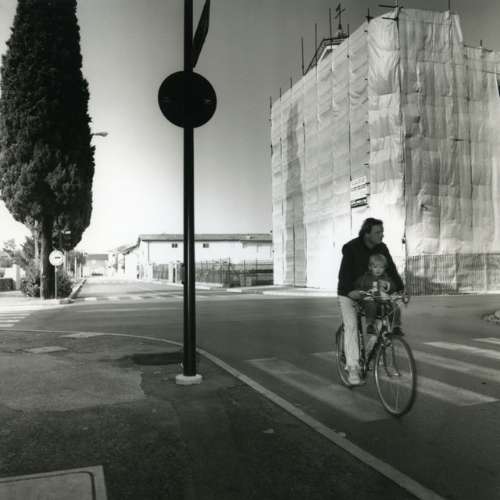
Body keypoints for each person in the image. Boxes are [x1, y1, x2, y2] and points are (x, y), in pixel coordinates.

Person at [337, 218, 404, 385]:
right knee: (352, 326)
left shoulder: (382, 248)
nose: (382, 235)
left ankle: (371, 353)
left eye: (382, 231)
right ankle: (353, 369)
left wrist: (400, 288)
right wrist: (350, 292)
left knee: (383, 320)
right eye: (378, 232)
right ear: (367, 233)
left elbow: (391, 270)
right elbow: (344, 275)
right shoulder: (351, 248)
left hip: (372, 293)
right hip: (350, 292)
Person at [354, 253, 402, 354]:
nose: (378, 270)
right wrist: (364, 290)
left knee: (395, 307)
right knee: (371, 304)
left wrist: (388, 286)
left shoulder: (385, 277)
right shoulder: (366, 277)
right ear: (370, 267)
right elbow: (359, 284)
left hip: (382, 302)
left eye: (381, 267)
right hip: (369, 301)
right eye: (375, 267)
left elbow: (393, 286)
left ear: (384, 268)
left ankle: (396, 326)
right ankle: (370, 324)